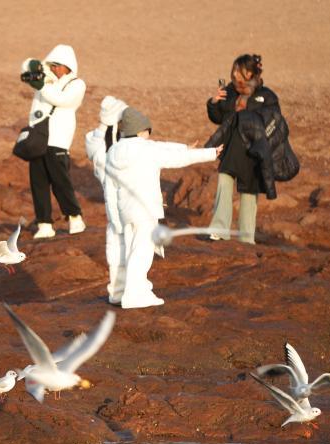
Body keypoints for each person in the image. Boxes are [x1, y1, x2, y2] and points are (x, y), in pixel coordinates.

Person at [106, 108, 221, 309]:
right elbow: (175, 158)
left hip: (125, 209)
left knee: (130, 249)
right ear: (142, 130)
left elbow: (162, 148)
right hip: (145, 209)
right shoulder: (147, 149)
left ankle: (128, 291)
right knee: (141, 251)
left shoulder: (113, 151)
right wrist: (211, 153)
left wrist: (184, 147)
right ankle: (134, 296)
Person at [204, 54, 279, 244]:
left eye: (240, 73)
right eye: (234, 73)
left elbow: (275, 122)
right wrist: (214, 103)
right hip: (231, 149)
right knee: (224, 183)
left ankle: (246, 239)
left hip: (253, 153)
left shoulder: (267, 96)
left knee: (249, 194)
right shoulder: (229, 91)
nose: (236, 78)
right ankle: (220, 231)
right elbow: (218, 117)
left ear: (251, 73)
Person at [22, 44, 87, 239]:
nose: (55, 68)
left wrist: (42, 85)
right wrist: (37, 67)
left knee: (60, 182)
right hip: (39, 139)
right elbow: (26, 66)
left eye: (58, 65)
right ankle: (44, 224)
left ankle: (74, 217)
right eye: (52, 65)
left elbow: (62, 100)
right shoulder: (47, 80)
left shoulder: (76, 84)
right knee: (38, 183)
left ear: (68, 66)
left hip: (58, 140)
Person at [85, 96, 129, 305]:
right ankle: (119, 291)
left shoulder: (118, 140)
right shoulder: (100, 141)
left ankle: (123, 290)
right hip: (119, 203)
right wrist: (105, 123)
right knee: (121, 244)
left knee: (124, 245)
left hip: (123, 202)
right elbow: (95, 154)